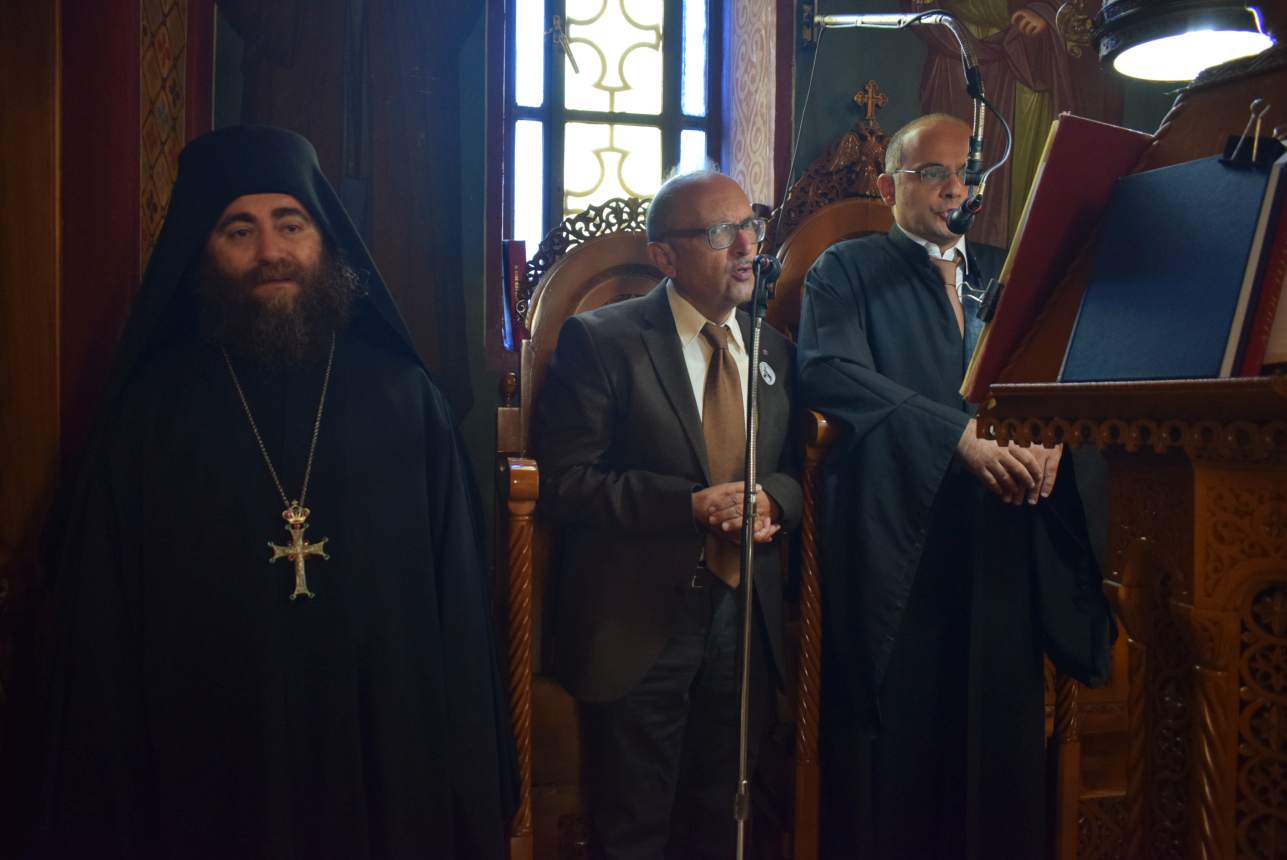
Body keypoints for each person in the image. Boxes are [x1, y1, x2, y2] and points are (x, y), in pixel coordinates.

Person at [35, 126, 515, 859]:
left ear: (325, 239)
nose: (271, 251)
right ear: (203, 250)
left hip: (380, 755)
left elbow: (456, 604)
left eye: (290, 224)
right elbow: (103, 633)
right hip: (207, 764)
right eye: (239, 230)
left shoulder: (405, 399)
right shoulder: (149, 417)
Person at [797, 114, 1112, 858]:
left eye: (966, 174)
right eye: (931, 173)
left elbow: (1061, 375)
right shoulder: (845, 270)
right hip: (905, 540)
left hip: (1004, 539)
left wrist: (1053, 440)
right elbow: (829, 372)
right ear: (888, 188)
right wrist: (955, 439)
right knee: (904, 752)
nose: (953, 189)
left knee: (1000, 738)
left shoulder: (1008, 272)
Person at [535, 171, 802, 858]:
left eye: (751, 227)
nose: (746, 247)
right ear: (664, 256)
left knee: (724, 823)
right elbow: (565, 483)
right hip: (640, 622)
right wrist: (684, 506)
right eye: (719, 233)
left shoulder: (773, 349)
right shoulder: (601, 340)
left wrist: (774, 498)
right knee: (634, 827)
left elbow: (799, 473)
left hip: (745, 616)